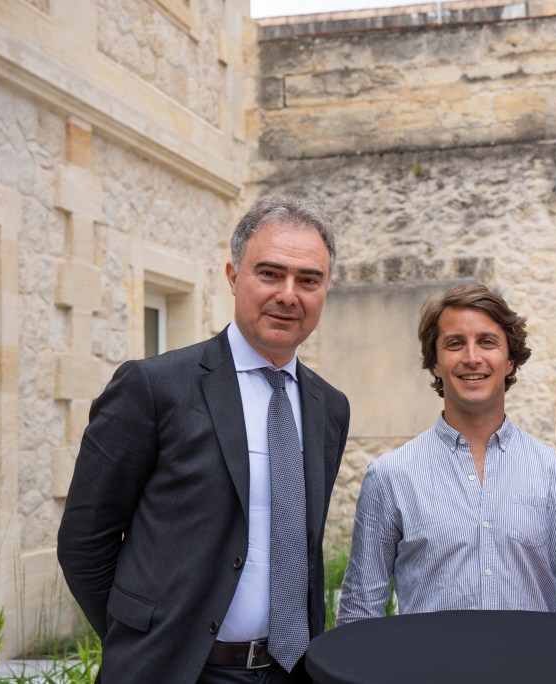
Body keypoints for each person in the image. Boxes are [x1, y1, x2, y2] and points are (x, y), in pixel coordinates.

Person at [57, 196, 350, 684]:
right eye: (270, 273)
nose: (288, 294)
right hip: (177, 672)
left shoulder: (329, 407)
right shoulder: (153, 387)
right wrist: (141, 641)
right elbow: (85, 541)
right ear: (234, 276)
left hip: (289, 672)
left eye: (308, 279)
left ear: (326, 288)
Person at [336, 284, 556, 624]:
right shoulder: (391, 476)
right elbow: (360, 612)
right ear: (435, 363)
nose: (471, 357)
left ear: (510, 360)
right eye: (455, 343)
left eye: (487, 341)